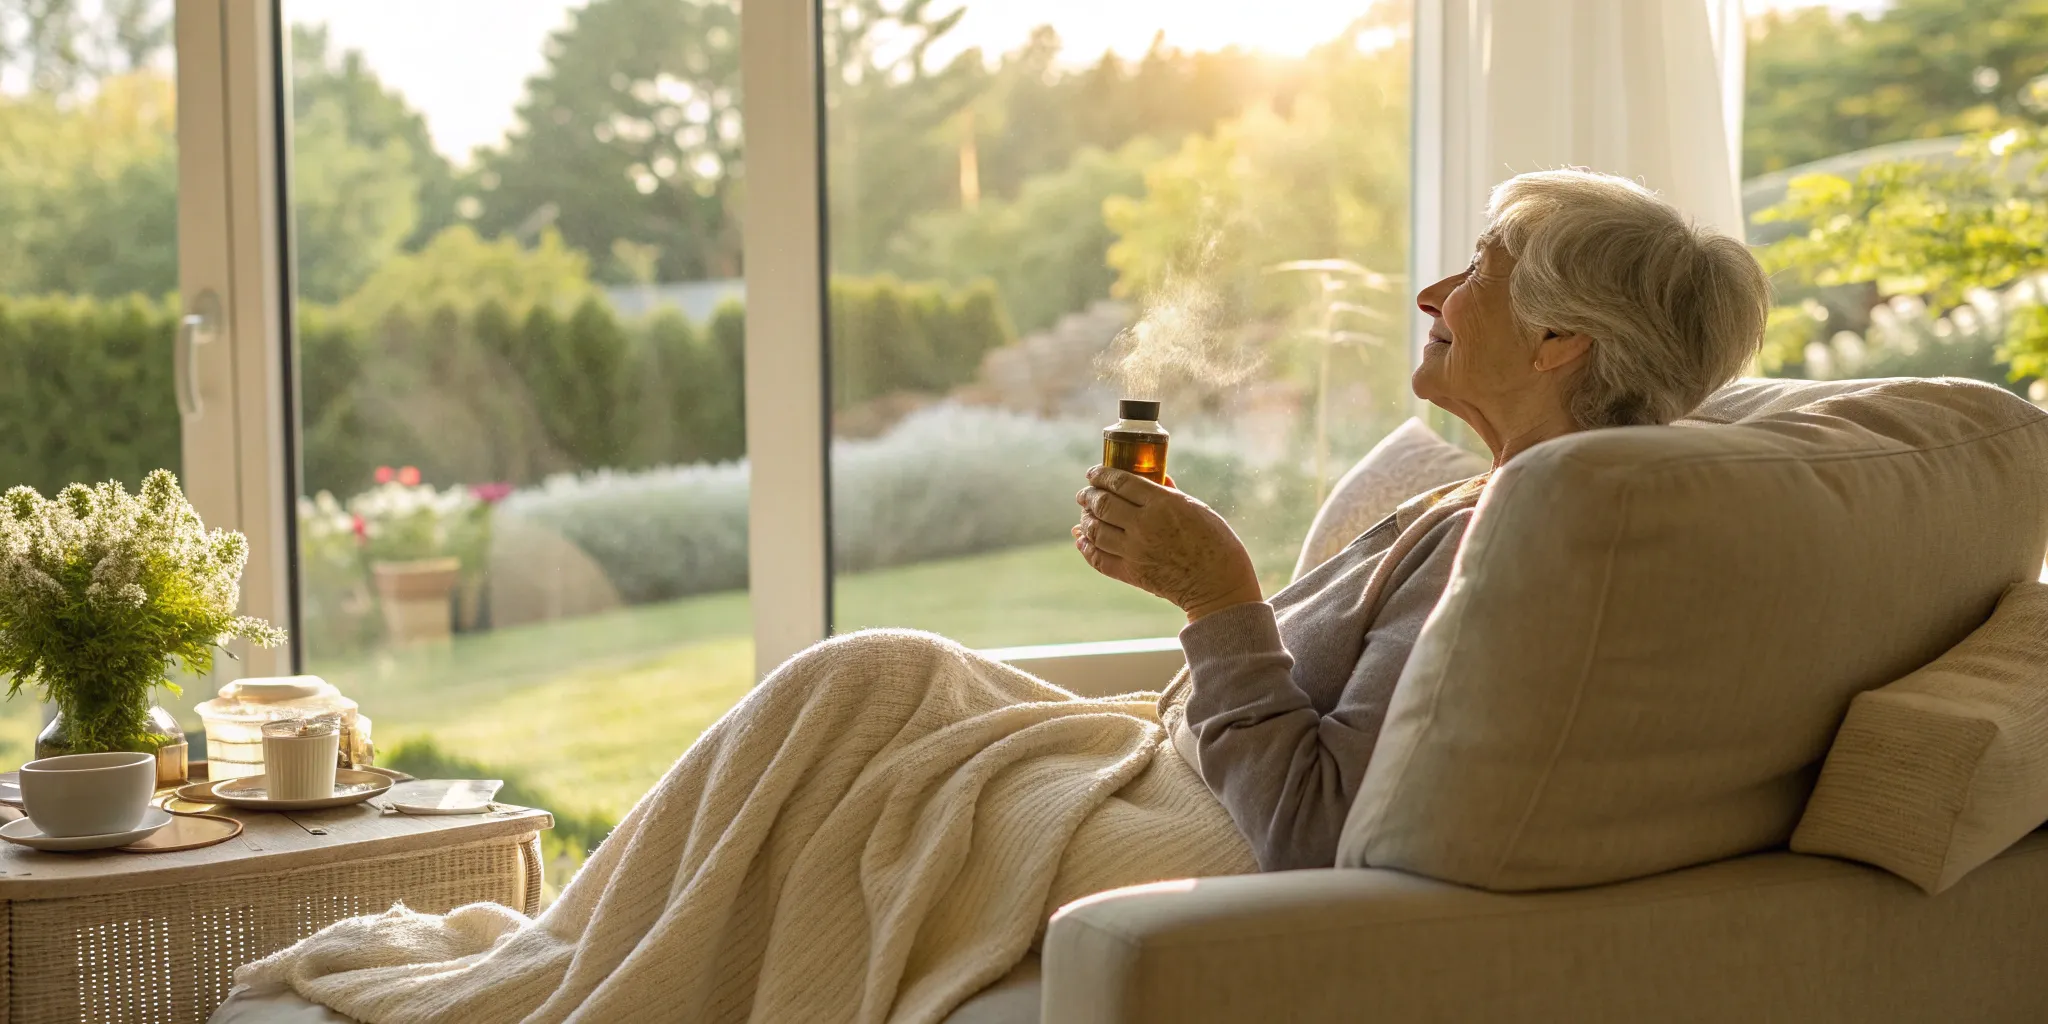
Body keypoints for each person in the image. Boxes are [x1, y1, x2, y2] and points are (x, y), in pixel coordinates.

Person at [220, 169, 1772, 1024]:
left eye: (1482, 266)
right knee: (871, 676)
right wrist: (1208, 602)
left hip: (1199, 834)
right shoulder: (1480, 497)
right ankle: (579, 956)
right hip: (1164, 767)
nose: (1436, 291)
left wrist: (1220, 597)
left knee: (862, 682)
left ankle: (575, 983)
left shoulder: (1541, 543)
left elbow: (1313, 824)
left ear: (1561, 339)